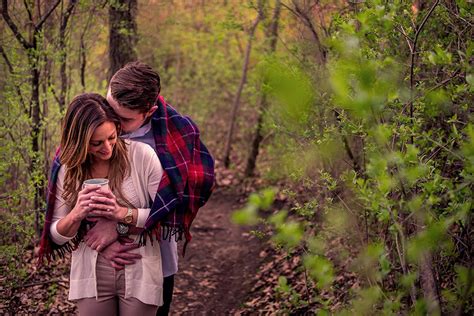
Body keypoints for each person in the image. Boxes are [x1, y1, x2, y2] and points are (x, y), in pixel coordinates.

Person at [53, 61, 216, 315]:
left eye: (124, 120)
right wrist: (100, 238)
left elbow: (181, 201)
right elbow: (69, 191)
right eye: (110, 107)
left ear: (148, 112)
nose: (113, 123)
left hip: (153, 259)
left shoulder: (177, 135)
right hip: (98, 257)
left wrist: (118, 224)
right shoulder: (94, 122)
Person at [40, 93, 165, 315]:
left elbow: (164, 216)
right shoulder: (68, 169)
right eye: (96, 143)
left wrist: (119, 217)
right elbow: (56, 235)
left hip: (140, 263)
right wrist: (76, 214)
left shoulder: (142, 157)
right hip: (90, 267)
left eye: (112, 137)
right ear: (78, 142)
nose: (107, 148)